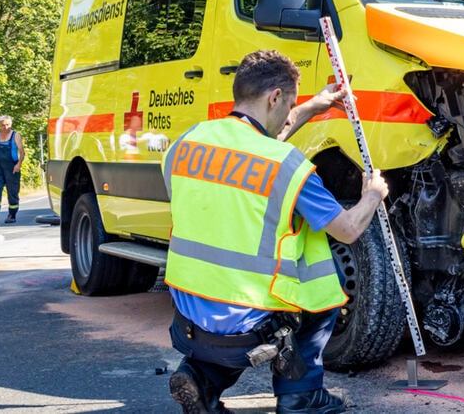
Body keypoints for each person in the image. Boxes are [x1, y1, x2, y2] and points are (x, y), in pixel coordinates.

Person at [161, 50, 390, 414]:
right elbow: (347, 231)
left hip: (188, 307)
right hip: (249, 317)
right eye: (290, 104)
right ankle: (301, 395)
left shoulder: (187, 142)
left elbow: (257, 141)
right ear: (274, 98)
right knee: (319, 293)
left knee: (225, 305)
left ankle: (201, 379)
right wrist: (373, 196)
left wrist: (313, 106)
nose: (289, 113)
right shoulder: (287, 165)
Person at [0, 115, 25, 224]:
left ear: (10, 124)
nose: (5, 127)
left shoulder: (15, 135)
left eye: (7, 125)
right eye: (2, 125)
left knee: (12, 192)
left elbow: (22, 151)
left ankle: (12, 214)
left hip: (12, 167)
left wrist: (18, 165)